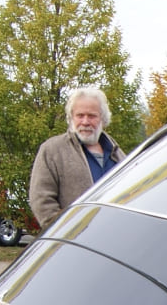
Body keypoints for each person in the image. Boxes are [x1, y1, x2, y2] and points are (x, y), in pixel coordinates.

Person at [29, 86, 127, 231]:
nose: (85, 122)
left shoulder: (118, 155)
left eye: (92, 116)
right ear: (71, 118)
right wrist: (65, 233)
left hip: (115, 240)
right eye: (80, 115)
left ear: (103, 119)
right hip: (74, 243)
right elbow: (41, 200)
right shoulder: (52, 150)